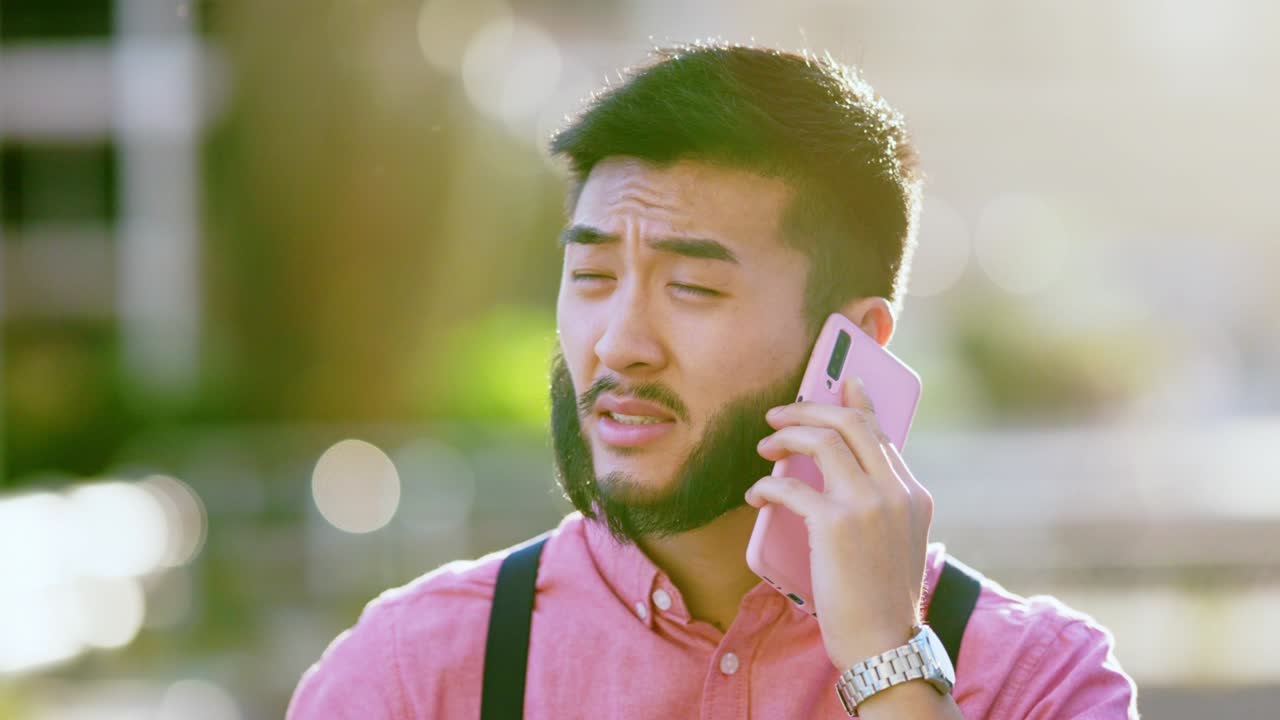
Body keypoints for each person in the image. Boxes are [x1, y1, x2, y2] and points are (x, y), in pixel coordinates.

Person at [288, 43, 1139, 719]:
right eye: (591, 278)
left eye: (691, 287)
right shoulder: (416, 673)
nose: (619, 345)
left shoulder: (1036, 684)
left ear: (852, 342)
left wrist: (889, 664)